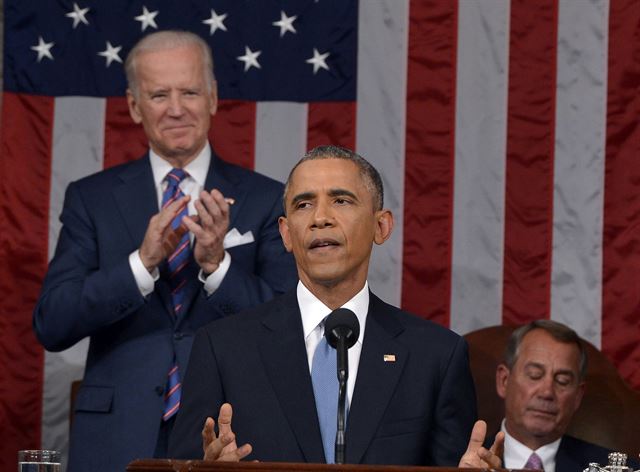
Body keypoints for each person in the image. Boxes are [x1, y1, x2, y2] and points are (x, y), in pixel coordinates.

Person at [32, 30, 297, 472]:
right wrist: (141, 264)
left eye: (189, 91)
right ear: (135, 106)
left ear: (212, 98)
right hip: (115, 438)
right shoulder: (91, 199)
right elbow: (52, 322)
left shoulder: (266, 198)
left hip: (231, 436)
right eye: (158, 94)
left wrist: (218, 267)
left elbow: (292, 326)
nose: (176, 108)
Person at [169, 145, 503, 467]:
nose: (320, 218)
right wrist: (205, 470)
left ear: (381, 226)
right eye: (303, 205)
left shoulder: (437, 356)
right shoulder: (222, 347)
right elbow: (184, 463)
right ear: (286, 234)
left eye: (341, 200)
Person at [495, 320, 639, 471]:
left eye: (563, 381)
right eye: (534, 375)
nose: (547, 392)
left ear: (577, 396)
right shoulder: (470, 462)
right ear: (504, 381)